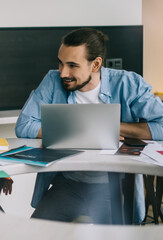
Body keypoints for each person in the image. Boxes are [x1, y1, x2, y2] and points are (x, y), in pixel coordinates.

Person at [15, 28, 163, 224]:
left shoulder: (127, 83)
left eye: (72, 65)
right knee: (34, 233)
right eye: (60, 63)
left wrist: (111, 127)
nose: (63, 73)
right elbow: (24, 125)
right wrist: (85, 130)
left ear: (96, 64)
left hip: (112, 186)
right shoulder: (52, 80)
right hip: (67, 184)